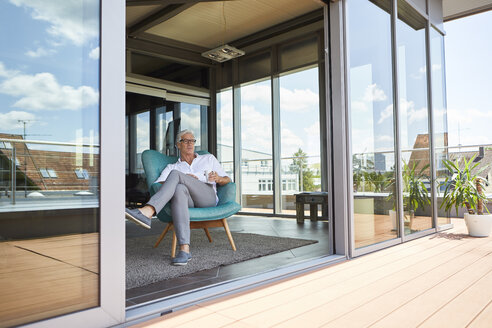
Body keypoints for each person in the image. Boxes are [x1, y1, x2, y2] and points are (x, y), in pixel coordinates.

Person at [125, 129, 231, 266]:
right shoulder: (172, 166)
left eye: (192, 140)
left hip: (207, 197)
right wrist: (184, 180)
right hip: (189, 201)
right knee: (179, 188)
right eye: (185, 141)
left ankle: (148, 211)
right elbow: (158, 184)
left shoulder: (208, 158)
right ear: (178, 145)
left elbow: (228, 179)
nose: (190, 144)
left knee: (177, 175)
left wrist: (218, 178)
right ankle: (184, 250)